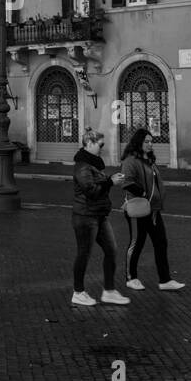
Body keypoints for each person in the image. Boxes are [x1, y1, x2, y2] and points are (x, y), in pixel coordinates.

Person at [71, 128, 130, 307]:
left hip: (99, 215)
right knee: (84, 253)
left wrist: (110, 179)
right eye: (100, 145)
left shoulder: (93, 164)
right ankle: (78, 292)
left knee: (111, 250)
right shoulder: (82, 166)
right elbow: (91, 191)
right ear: (89, 143)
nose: (102, 148)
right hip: (85, 216)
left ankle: (109, 291)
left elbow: (97, 184)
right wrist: (110, 181)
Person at [121, 127, 185, 291]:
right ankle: (131, 278)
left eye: (151, 142)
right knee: (137, 243)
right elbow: (127, 182)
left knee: (161, 242)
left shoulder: (149, 159)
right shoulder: (130, 160)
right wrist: (142, 193)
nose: (150, 144)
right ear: (139, 142)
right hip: (138, 209)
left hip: (154, 210)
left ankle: (165, 280)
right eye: (146, 142)